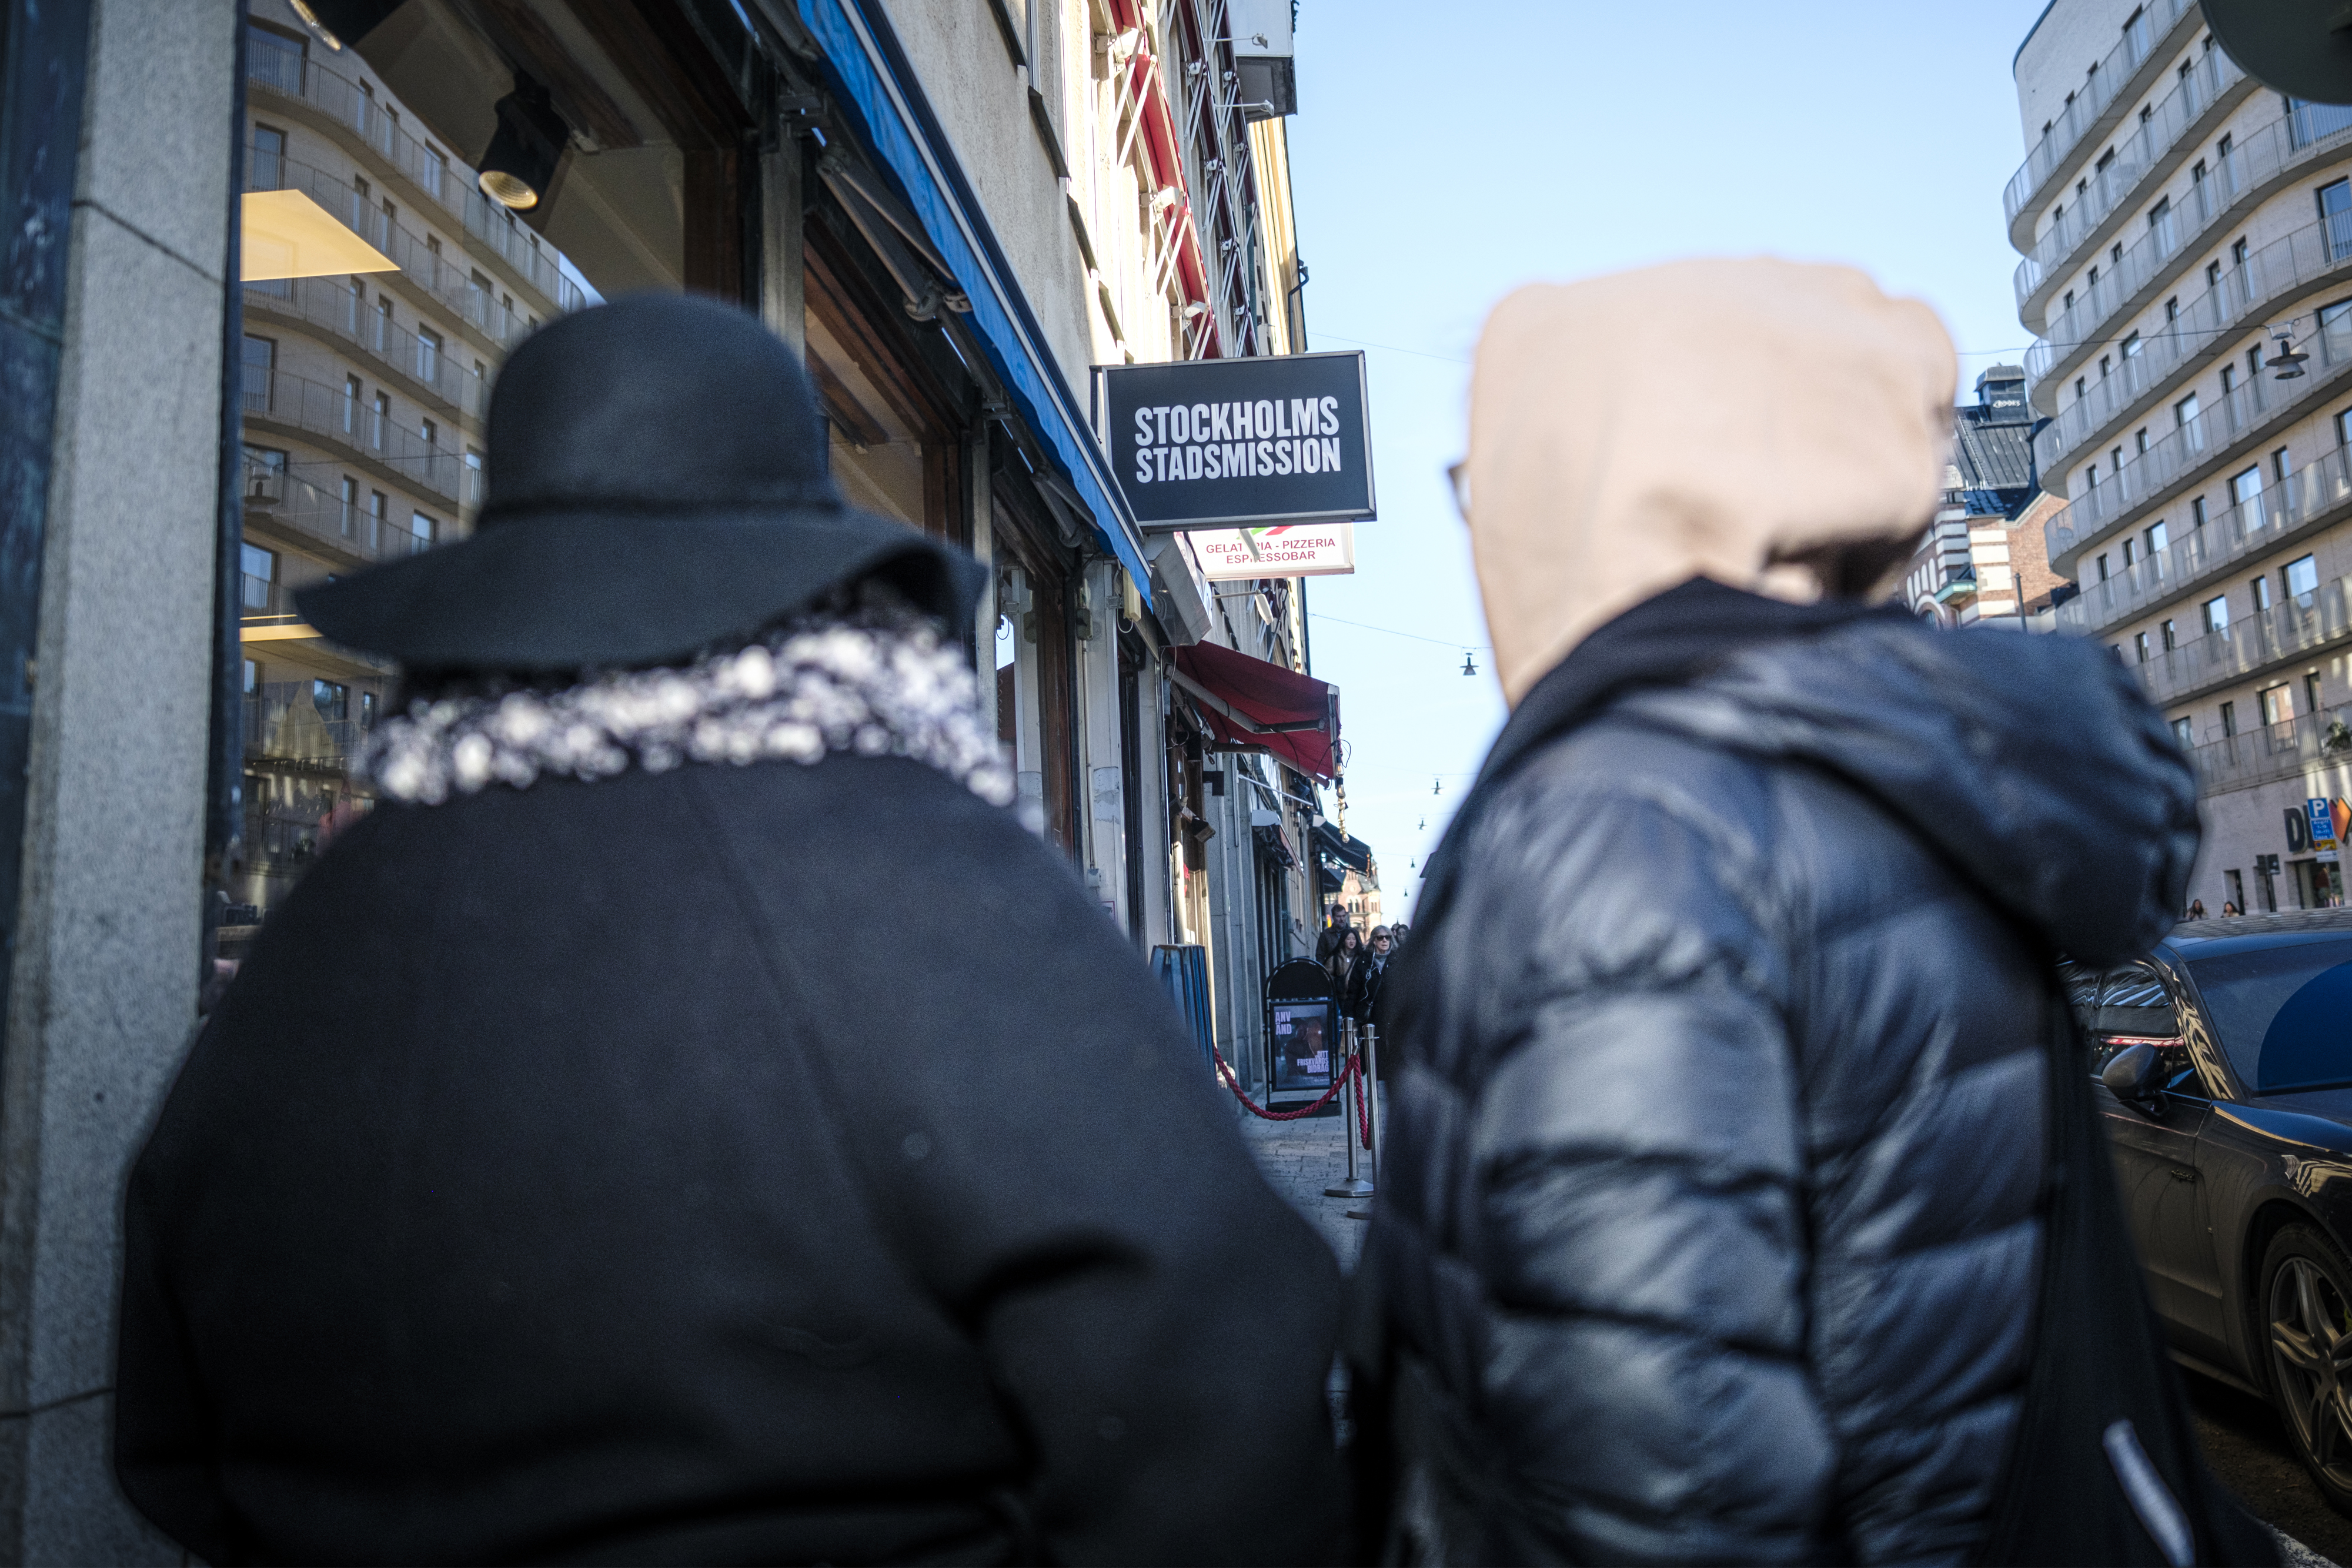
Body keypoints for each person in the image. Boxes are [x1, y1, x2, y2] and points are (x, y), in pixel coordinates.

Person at [114, 296, 1349, 1566]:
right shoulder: (905, 861)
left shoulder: (331, 923)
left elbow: (167, 1432)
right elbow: (1217, 1365)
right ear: (811, 589)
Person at [1354, 260, 2208, 1564]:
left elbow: (1659, 1468)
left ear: (1607, 499)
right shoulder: (1898, 767)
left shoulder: (1632, 822)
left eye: (1494, 485)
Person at [1328, 924, 1364, 992]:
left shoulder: (1361, 958)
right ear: (1344, 941)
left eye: (1354, 939)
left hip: (1357, 996)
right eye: (1348, 939)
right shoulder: (1335, 958)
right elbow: (1327, 975)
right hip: (1341, 996)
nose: (1352, 941)